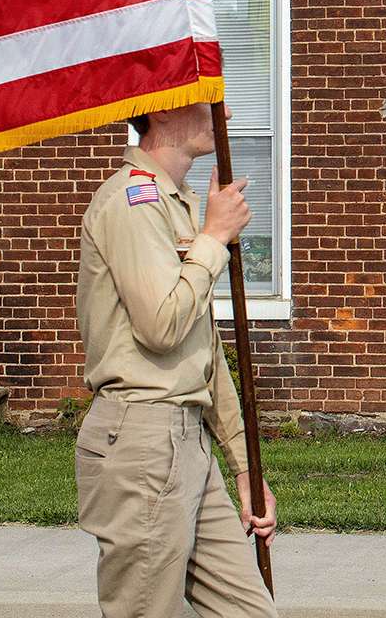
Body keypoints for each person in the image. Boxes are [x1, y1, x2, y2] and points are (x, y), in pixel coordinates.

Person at [75, 103, 277, 617]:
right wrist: (213, 239)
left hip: (189, 440)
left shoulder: (181, 203)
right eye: (205, 96)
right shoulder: (130, 201)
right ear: (161, 111)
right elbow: (161, 326)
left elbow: (202, 351)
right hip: (142, 437)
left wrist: (243, 468)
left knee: (250, 611)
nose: (225, 111)